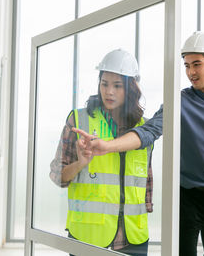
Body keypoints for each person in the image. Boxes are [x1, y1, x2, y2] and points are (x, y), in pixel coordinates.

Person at [74, 31, 204, 256]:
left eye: (196, 64)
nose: (190, 72)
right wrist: (107, 146)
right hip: (188, 199)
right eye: (186, 65)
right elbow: (148, 132)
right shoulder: (178, 102)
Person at [50, 49, 154, 256]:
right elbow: (57, 176)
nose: (109, 92)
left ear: (131, 88)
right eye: (104, 83)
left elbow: (146, 179)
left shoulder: (145, 128)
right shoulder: (79, 121)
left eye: (117, 86)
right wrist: (80, 163)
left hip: (133, 235)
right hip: (88, 234)